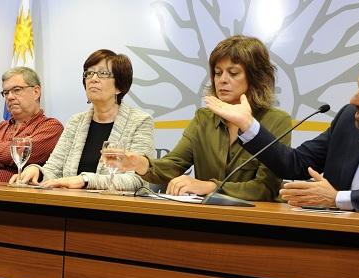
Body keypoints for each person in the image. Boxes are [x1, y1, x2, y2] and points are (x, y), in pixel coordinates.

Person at [205, 51, 359, 215]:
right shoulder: (350, 120)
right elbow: (295, 164)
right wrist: (249, 126)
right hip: (333, 249)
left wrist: (338, 198)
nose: (353, 100)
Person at [115, 35, 292, 199]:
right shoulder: (203, 118)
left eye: (233, 73)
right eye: (217, 72)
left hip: (256, 221)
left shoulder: (277, 120)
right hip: (205, 217)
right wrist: (140, 164)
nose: (222, 80)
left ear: (255, 77)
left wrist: (210, 187)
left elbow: (265, 187)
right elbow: (175, 164)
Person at [10, 49, 154, 190]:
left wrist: (85, 180)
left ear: (119, 86)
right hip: (70, 205)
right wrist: (37, 172)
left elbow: (137, 180)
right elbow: (53, 168)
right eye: (89, 73)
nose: (93, 79)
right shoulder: (76, 121)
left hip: (113, 208)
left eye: (103, 73)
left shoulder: (139, 121)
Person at [0, 67, 63, 181]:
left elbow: (21, 154)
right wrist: (7, 163)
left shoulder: (51, 127)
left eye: (17, 90)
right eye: (5, 93)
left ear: (36, 92)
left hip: (19, 197)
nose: (9, 97)